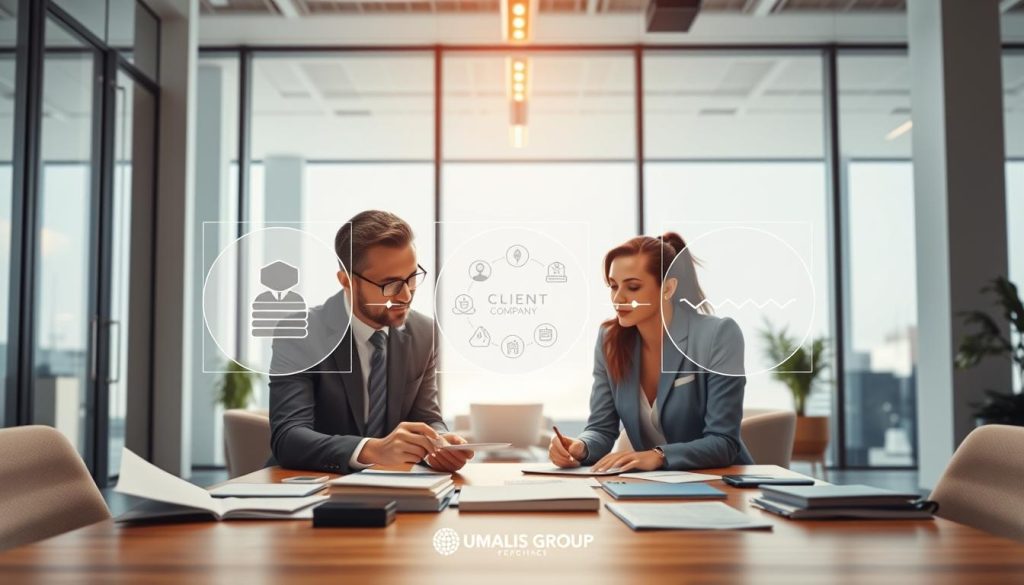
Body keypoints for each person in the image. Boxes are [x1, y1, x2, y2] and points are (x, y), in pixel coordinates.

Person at [269, 210, 473, 473]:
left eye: (412, 278)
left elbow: (426, 416)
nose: (407, 295)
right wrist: (372, 449)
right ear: (346, 281)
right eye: (390, 284)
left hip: (396, 487)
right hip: (310, 485)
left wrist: (440, 441)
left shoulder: (424, 333)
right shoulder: (299, 333)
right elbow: (288, 437)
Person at [549, 233, 753, 472]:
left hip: (721, 484)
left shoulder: (719, 335)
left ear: (667, 288)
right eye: (613, 286)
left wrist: (659, 456)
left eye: (633, 287)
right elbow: (602, 428)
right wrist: (581, 446)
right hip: (651, 488)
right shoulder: (609, 341)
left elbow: (723, 442)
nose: (618, 298)